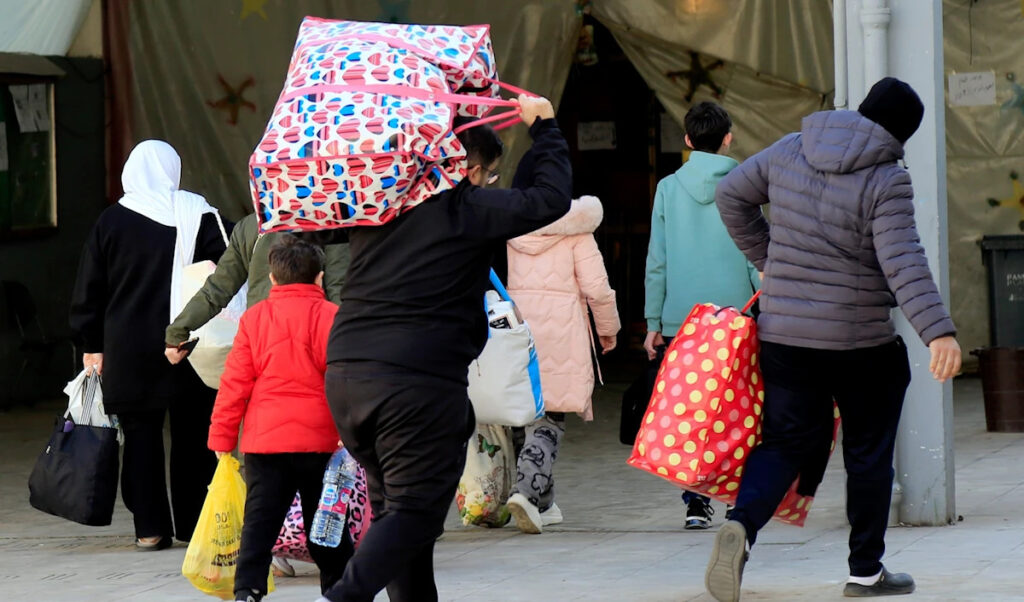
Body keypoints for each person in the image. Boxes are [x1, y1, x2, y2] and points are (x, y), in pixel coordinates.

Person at [705, 77, 962, 602]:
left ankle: (741, 525)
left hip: (785, 337)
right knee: (869, 452)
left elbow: (731, 194)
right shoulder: (887, 178)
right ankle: (865, 572)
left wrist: (769, 259)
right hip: (858, 342)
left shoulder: (791, 147)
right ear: (902, 134)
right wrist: (938, 331)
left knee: (785, 442)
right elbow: (904, 260)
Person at [314, 94, 572, 602]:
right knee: (415, 511)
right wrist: (545, 127)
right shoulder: (463, 208)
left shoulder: (381, 205)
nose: (489, 184)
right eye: (489, 175)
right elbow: (549, 198)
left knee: (397, 514)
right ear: (469, 169)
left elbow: (322, 222)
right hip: (414, 385)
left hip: (346, 377)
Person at [165, 211, 349, 578]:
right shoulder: (330, 221)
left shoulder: (253, 226)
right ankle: (333, 568)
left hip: (264, 357)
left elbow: (219, 288)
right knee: (321, 481)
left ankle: (264, 564)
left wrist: (179, 329)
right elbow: (341, 293)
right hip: (317, 359)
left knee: (265, 482)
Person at [69, 140, 230, 549]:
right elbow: (228, 274)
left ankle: (150, 529)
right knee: (193, 437)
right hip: (189, 345)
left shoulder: (111, 222)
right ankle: (194, 526)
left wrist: (91, 343)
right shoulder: (199, 214)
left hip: (129, 349)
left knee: (141, 440)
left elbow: (91, 288)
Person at [206, 235, 349, 602]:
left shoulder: (254, 319)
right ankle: (338, 590)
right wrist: (353, 433)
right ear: (319, 277)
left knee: (259, 523)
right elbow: (345, 381)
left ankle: (247, 590)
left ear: (272, 278)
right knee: (326, 524)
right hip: (321, 443)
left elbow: (235, 383)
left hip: (265, 444)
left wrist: (222, 438)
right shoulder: (332, 317)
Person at [643, 101, 760, 530]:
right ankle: (734, 498)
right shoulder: (744, 184)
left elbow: (658, 260)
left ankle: (695, 503)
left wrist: (653, 323)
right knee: (737, 410)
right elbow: (755, 250)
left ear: (688, 140)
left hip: (684, 319)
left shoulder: (668, 188)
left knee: (691, 412)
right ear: (728, 138)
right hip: (737, 314)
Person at [504, 194, 620, 534]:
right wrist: (608, 329)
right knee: (550, 416)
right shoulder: (577, 230)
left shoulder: (508, 226)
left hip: (517, 328)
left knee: (522, 413)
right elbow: (597, 289)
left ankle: (544, 502)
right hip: (562, 331)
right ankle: (526, 493)